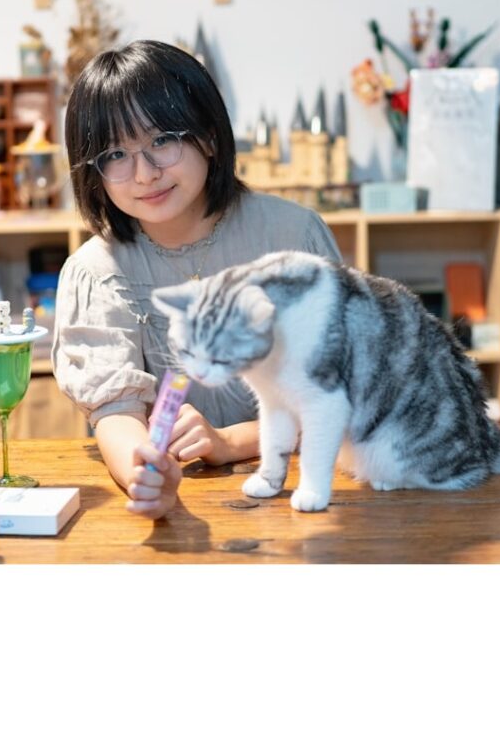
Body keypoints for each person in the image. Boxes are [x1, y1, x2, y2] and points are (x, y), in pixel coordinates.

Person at [52, 40, 341, 519]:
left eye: (162, 141)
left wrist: (231, 442)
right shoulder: (96, 271)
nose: (144, 174)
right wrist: (146, 476)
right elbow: (116, 415)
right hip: (186, 509)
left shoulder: (293, 237)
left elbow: (341, 392)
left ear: (208, 135)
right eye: (115, 154)